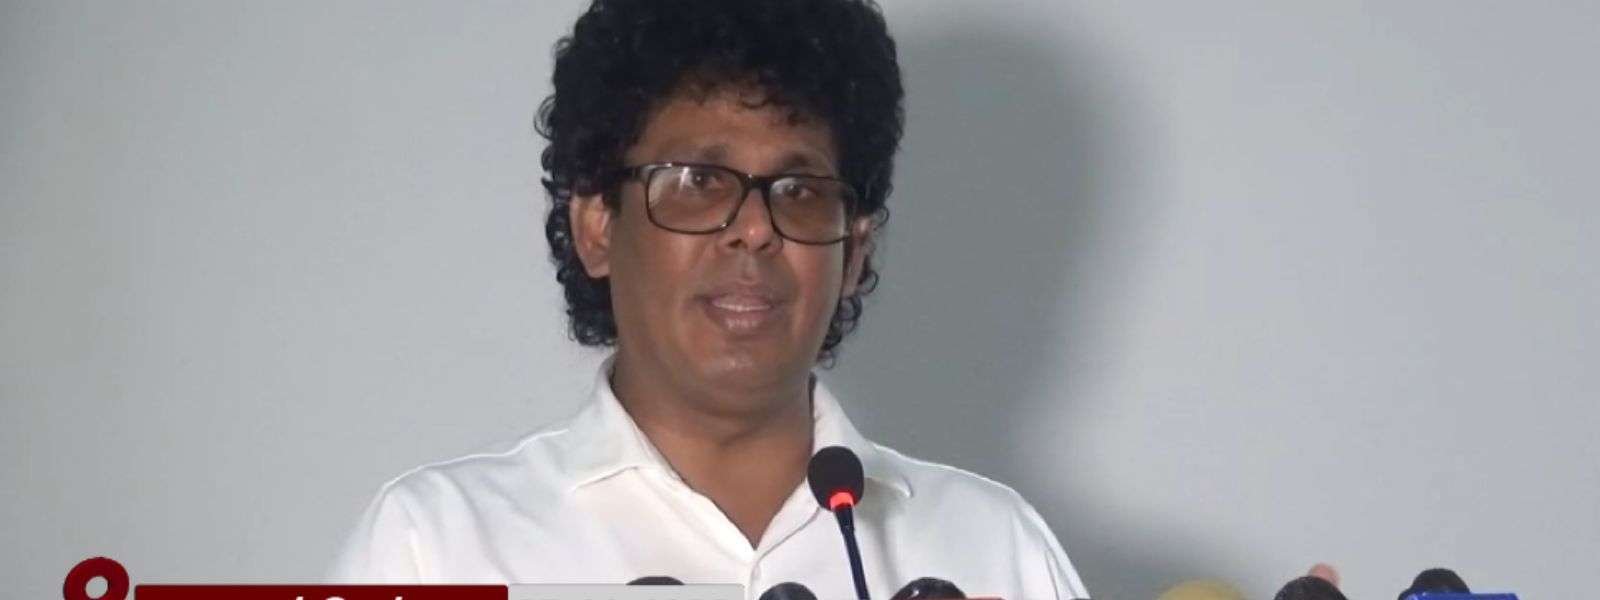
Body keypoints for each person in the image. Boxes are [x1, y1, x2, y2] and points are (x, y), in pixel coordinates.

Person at [328, 1, 1089, 598]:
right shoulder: (441, 547)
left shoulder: (991, 546)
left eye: (799, 191)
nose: (754, 230)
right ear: (596, 227)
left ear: (854, 252)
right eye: (697, 182)